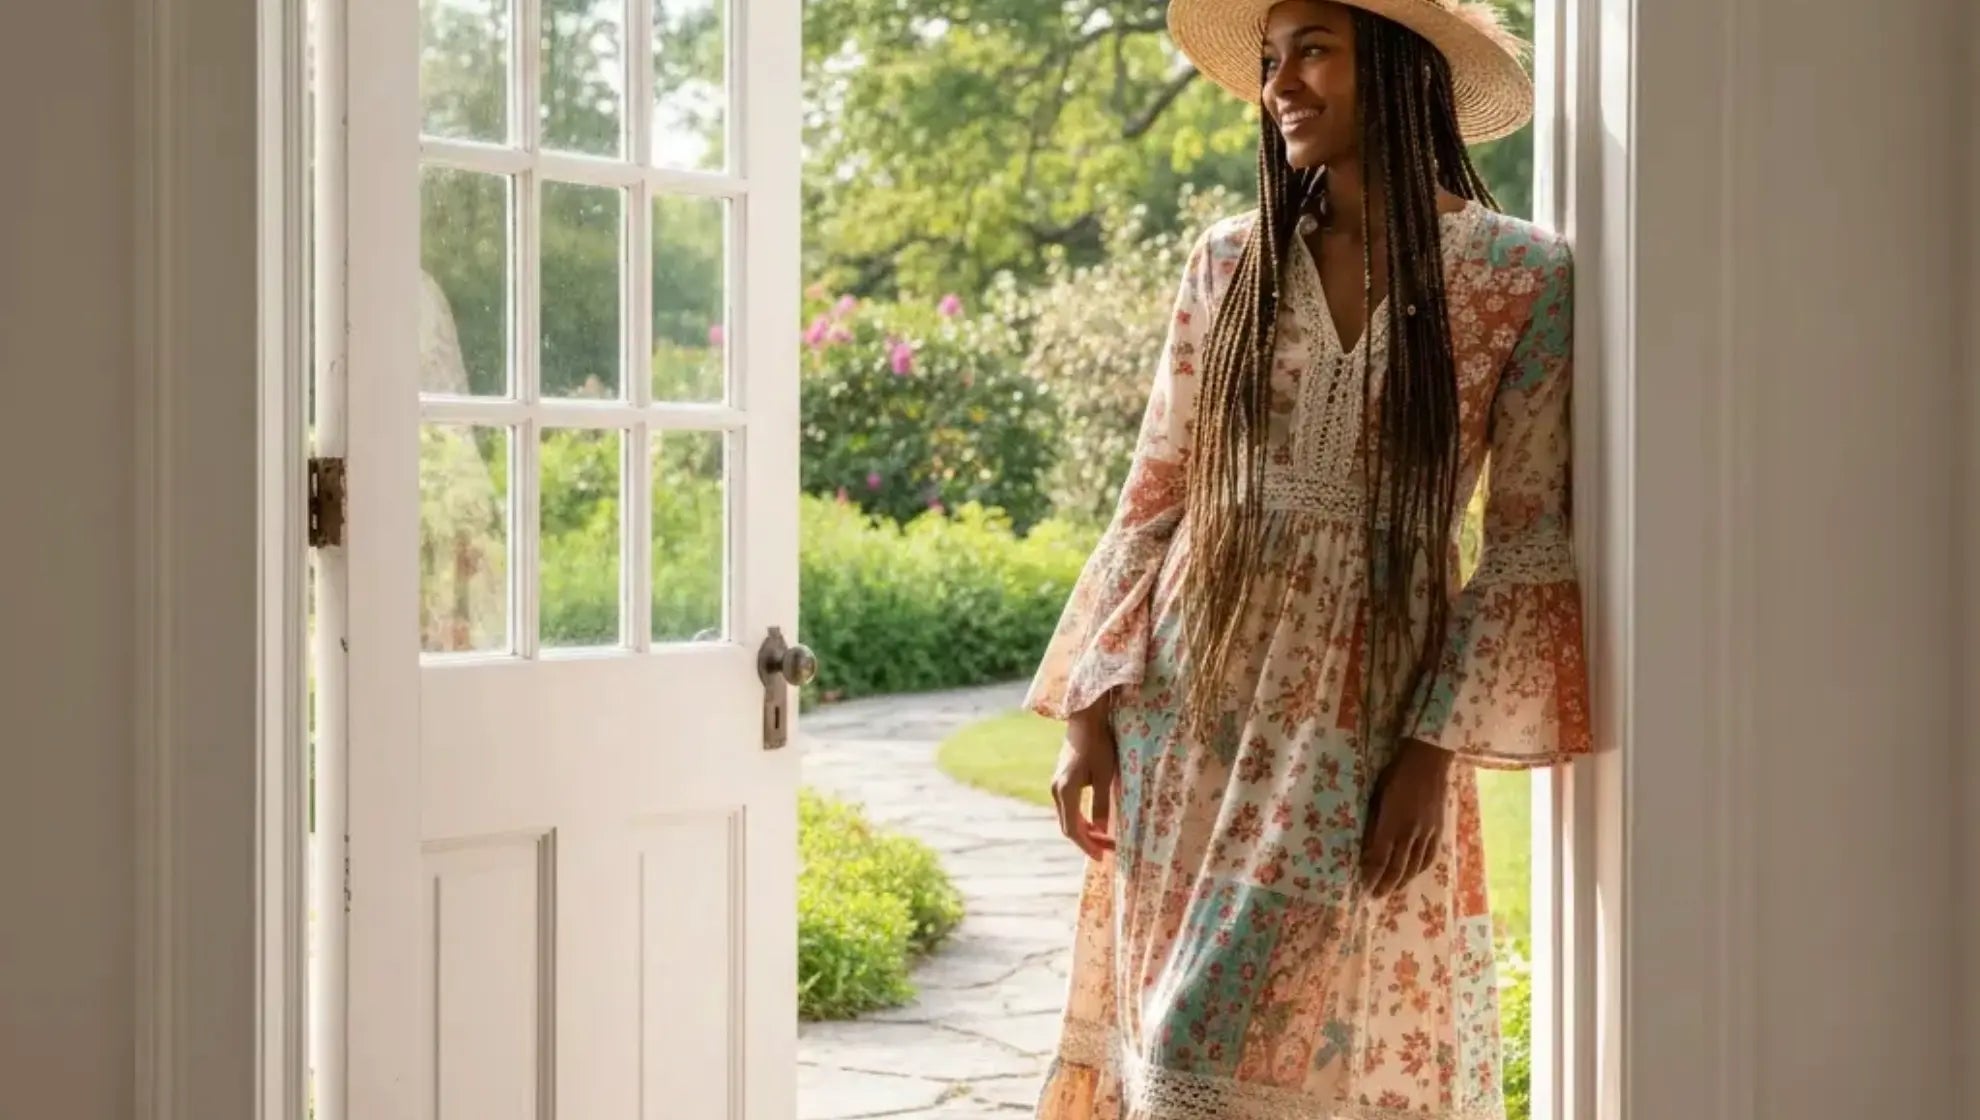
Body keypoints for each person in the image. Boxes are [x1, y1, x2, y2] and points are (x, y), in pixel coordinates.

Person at [1023, 0, 1592, 1115]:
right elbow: (1157, 498)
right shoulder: (1228, 263)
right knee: (1168, 1046)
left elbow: (1524, 537)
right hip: (1189, 698)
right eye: (1273, 60)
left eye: (1313, 51)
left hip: (1362, 711)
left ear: (1397, 65)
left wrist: (1432, 752)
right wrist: (1091, 709)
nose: (1280, 82)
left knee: (1248, 1043)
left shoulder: (1520, 277)